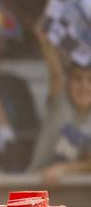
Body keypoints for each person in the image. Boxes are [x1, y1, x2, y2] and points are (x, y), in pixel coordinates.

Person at [31, 19, 91, 184]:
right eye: (77, 79)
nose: (84, 87)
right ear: (68, 83)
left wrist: (63, 169)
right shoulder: (61, 102)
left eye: (90, 81)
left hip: (74, 199)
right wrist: (45, 42)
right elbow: (56, 74)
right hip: (35, 187)